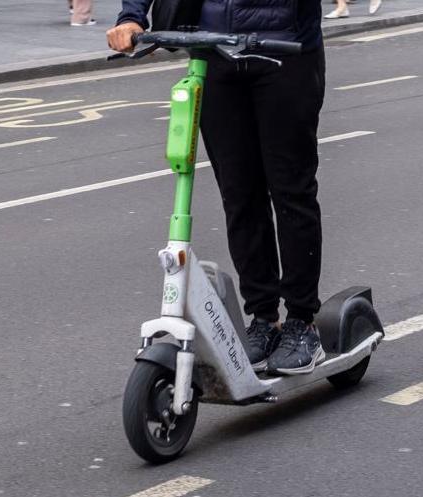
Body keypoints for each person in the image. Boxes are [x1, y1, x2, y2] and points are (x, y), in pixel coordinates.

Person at [107, 0, 327, 375]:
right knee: (239, 194)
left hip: (283, 49)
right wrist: (131, 16)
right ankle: (264, 318)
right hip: (214, 50)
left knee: (292, 192)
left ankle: (302, 323)